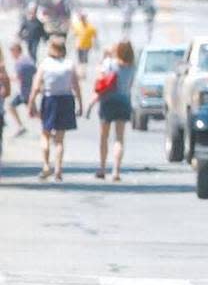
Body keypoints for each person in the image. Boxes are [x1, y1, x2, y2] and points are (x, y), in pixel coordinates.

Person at [27, 36, 82, 181]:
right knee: (60, 139)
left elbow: (36, 85)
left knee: (45, 134)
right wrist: (80, 104)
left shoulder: (45, 64)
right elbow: (76, 86)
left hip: (50, 99)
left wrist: (31, 103)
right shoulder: (69, 65)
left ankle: (46, 165)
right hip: (66, 99)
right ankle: (58, 169)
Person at [87, 41, 135, 180]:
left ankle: (102, 168)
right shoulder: (132, 67)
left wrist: (106, 55)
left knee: (104, 136)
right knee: (119, 138)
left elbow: (100, 78)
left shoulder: (109, 63)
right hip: (124, 100)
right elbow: (130, 85)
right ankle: (116, 170)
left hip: (107, 101)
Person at [7, 42, 34, 136]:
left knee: (34, 112)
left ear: (16, 51)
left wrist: (7, 78)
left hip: (25, 92)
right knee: (10, 106)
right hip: (27, 90)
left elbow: (19, 78)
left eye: (12, 52)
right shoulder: (28, 59)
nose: (11, 55)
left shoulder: (20, 62)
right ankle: (20, 126)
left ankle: (49, 128)